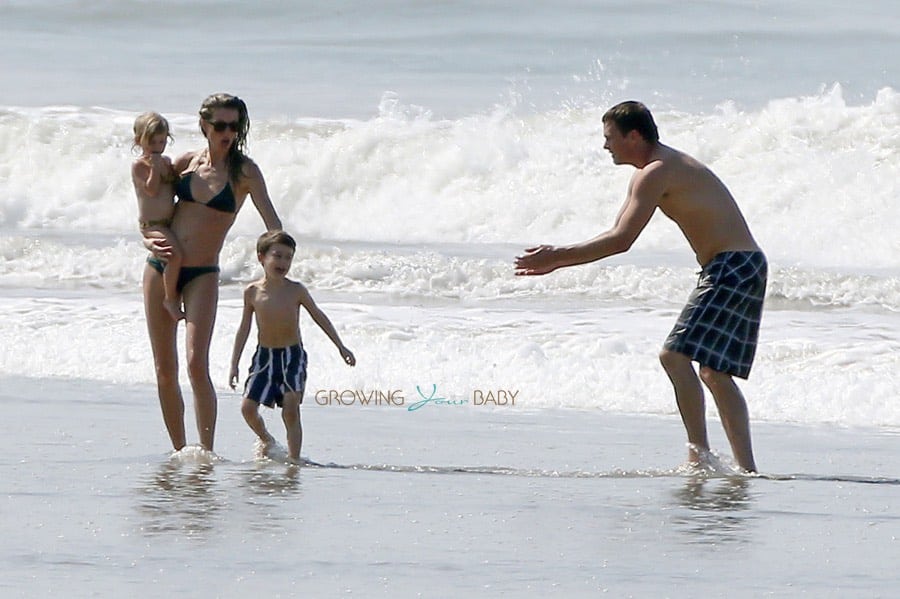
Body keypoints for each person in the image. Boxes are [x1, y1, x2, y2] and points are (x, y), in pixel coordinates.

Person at [514, 101, 766, 473]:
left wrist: (558, 257)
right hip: (739, 265)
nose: (605, 147)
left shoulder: (656, 171)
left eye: (609, 138)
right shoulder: (654, 170)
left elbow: (621, 241)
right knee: (712, 371)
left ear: (634, 136)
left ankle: (700, 457)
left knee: (675, 356)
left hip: (734, 266)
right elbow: (616, 233)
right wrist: (559, 258)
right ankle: (745, 470)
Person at [143, 93, 283, 452]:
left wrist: (274, 268)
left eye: (234, 126)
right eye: (220, 125)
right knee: (164, 368)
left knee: (195, 363)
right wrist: (146, 236)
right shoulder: (185, 163)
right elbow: (153, 208)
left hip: (203, 274)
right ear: (204, 125)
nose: (228, 132)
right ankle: (180, 452)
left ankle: (205, 453)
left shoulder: (244, 171)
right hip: (160, 269)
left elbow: (272, 225)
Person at [229, 230, 356, 462]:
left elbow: (319, 316)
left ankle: (294, 460)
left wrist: (341, 346)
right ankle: (266, 439)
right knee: (247, 408)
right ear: (261, 257)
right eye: (277, 256)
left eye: (288, 257)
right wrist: (234, 364)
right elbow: (244, 329)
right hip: (264, 357)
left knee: (290, 407)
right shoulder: (252, 292)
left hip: (292, 356)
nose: (283, 262)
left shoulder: (295, 290)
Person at [132, 112, 184, 321]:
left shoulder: (165, 161)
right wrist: (154, 168)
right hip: (152, 225)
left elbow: (172, 185)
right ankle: (170, 299)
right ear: (139, 141)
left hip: (168, 223)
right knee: (175, 255)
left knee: (178, 254)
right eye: (152, 142)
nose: (157, 147)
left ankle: (174, 292)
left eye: (161, 141)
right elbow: (151, 190)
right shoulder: (140, 165)